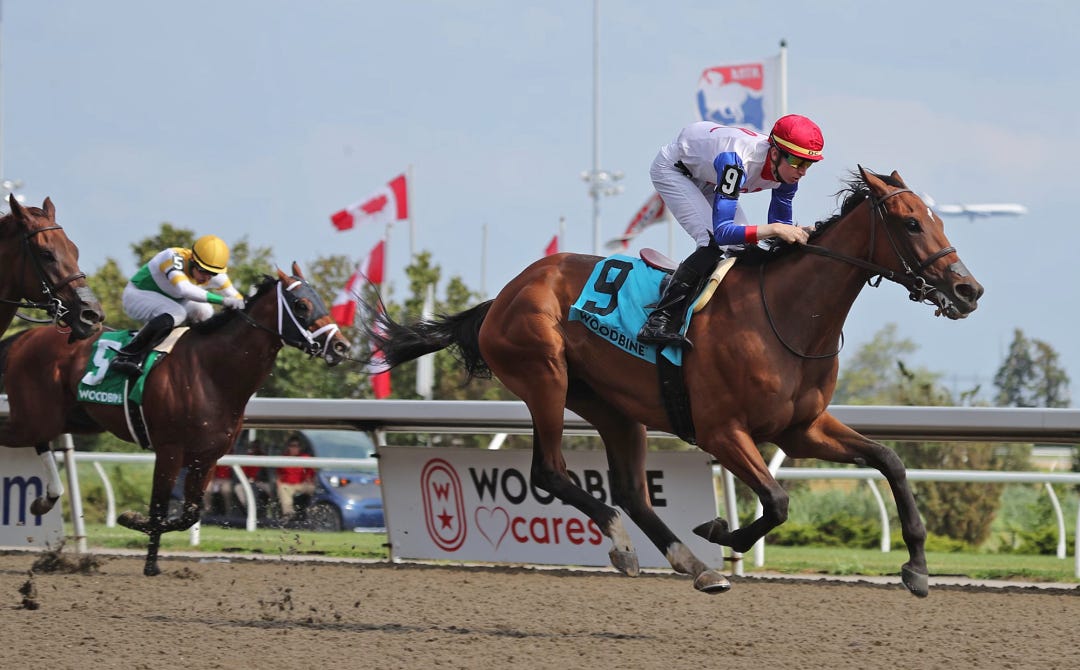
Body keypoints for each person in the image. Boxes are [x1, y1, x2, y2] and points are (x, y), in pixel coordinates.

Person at [637, 114, 824, 349]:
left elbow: (780, 230)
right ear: (775, 153)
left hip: (709, 175)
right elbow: (723, 232)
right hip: (675, 170)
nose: (802, 171)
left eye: (809, 164)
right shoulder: (736, 163)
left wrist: (803, 233)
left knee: (743, 247)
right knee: (712, 241)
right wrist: (776, 229)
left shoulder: (789, 176)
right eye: (797, 162)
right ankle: (660, 320)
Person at [111, 234, 246, 377]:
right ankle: (126, 356)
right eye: (203, 271)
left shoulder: (215, 275)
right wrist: (224, 301)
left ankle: (193, 353)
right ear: (192, 260)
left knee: (205, 311)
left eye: (212, 273)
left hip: (174, 300)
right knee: (177, 312)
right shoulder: (172, 257)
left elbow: (238, 299)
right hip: (137, 295)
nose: (206, 277)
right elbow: (184, 289)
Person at [275, 435, 316, 521]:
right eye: (292, 446)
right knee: (283, 488)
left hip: (302, 484)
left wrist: (309, 479)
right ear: (288, 447)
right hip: (288, 485)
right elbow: (278, 475)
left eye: (297, 446)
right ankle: (288, 515)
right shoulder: (283, 458)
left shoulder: (305, 457)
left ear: (300, 447)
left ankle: (315, 512)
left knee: (316, 489)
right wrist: (278, 483)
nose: (294, 448)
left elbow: (311, 472)